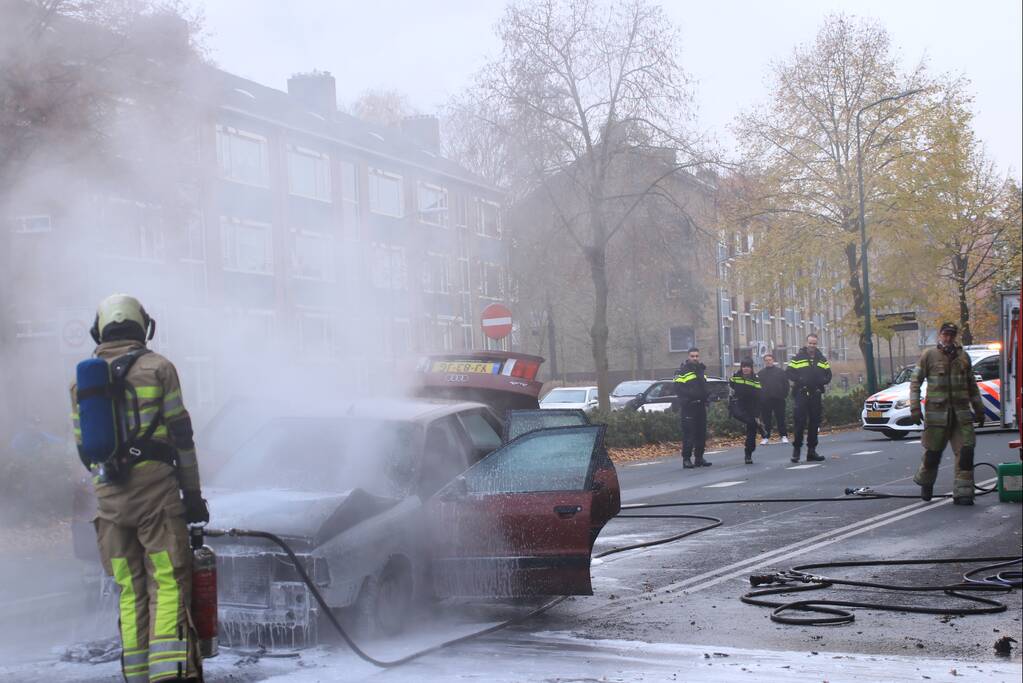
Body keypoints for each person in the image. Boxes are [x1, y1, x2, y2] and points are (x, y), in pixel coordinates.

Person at [70, 294, 208, 683]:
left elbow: (85, 452)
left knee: (129, 591)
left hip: (110, 506)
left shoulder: (79, 384)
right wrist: (193, 496)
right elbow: (182, 439)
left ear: (99, 330)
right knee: (166, 582)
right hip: (156, 501)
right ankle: (169, 676)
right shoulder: (159, 368)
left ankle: (137, 673)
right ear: (143, 327)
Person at [910, 322, 984, 504]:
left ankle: (963, 493)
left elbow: (972, 386)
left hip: (961, 415)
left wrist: (979, 409)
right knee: (933, 454)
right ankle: (926, 483)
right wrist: (914, 407)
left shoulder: (963, 357)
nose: (948, 338)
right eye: (945, 334)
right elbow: (915, 382)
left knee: (966, 451)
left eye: (951, 334)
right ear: (940, 335)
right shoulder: (929, 356)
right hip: (937, 416)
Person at [786, 333, 831, 463]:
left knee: (814, 423)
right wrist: (799, 379)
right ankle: (796, 451)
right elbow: (789, 372)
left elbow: (828, 375)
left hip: (815, 395)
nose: (812, 345)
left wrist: (822, 381)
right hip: (802, 394)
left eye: (814, 343)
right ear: (806, 343)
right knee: (799, 423)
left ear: (817, 344)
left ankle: (811, 451)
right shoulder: (798, 357)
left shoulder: (821, 359)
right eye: (810, 343)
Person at [673, 347, 712, 468]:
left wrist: (708, 397)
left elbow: (704, 387)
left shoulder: (701, 370)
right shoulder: (681, 371)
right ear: (688, 357)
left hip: (700, 406)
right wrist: (687, 399)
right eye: (692, 356)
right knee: (689, 434)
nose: (695, 358)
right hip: (689, 407)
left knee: (701, 433)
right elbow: (678, 388)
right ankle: (686, 459)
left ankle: (699, 458)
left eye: (696, 356)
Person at [729, 358, 765, 464]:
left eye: (748, 367)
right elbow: (730, 390)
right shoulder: (735, 377)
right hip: (738, 406)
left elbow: (759, 397)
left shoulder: (755, 379)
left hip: (751, 407)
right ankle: (759, 426)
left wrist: (757, 413)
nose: (745, 369)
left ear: (751, 368)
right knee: (751, 422)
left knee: (751, 431)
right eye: (744, 366)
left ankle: (748, 454)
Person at [757, 353, 789, 445]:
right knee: (766, 420)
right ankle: (766, 437)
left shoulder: (780, 372)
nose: (768, 362)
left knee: (781, 418)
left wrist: (784, 395)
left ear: (773, 360)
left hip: (779, 399)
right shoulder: (760, 373)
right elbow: (757, 387)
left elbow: (786, 385)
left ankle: (783, 436)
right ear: (764, 362)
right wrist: (760, 398)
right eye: (766, 360)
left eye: (770, 360)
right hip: (765, 400)